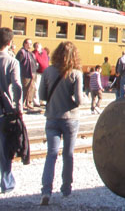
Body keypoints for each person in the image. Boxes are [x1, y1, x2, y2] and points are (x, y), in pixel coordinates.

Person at [38, 41, 84, 206]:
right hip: (70, 119)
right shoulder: (76, 74)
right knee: (68, 154)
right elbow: (79, 100)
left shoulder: (48, 71)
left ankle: (46, 191)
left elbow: (42, 95)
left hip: (51, 118)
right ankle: (66, 188)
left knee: (51, 154)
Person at [0, 28, 23, 194]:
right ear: (9, 43)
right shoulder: (12, 62)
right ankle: (6, 182)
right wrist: (19, 107)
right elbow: (17, 86)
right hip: (5, 111)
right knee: (6, 148)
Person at [15, 39, 39, 113]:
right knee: (25, 89)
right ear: (25, 44)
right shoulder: (21, 52)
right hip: (25, 74)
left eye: (31, 44)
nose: (31, 45)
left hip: (32, 73)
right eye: (29, 43)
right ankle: (22, 104)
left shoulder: (30, 53)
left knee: (31, 89)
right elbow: (17, 63)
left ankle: (28, 103)